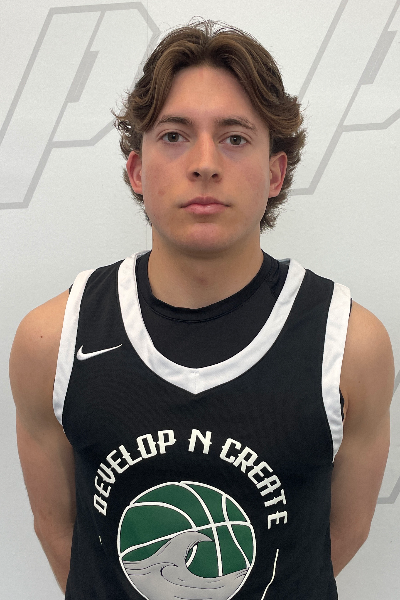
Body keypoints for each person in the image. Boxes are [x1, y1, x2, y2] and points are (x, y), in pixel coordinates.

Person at [9, 19, 394, 600]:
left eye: (235, 138)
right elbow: (59, 531)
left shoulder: (350, 345)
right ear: (137, 170)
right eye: (174, 135)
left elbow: (338, 536)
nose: (205, 163)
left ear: (275, 172)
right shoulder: (52, 338)